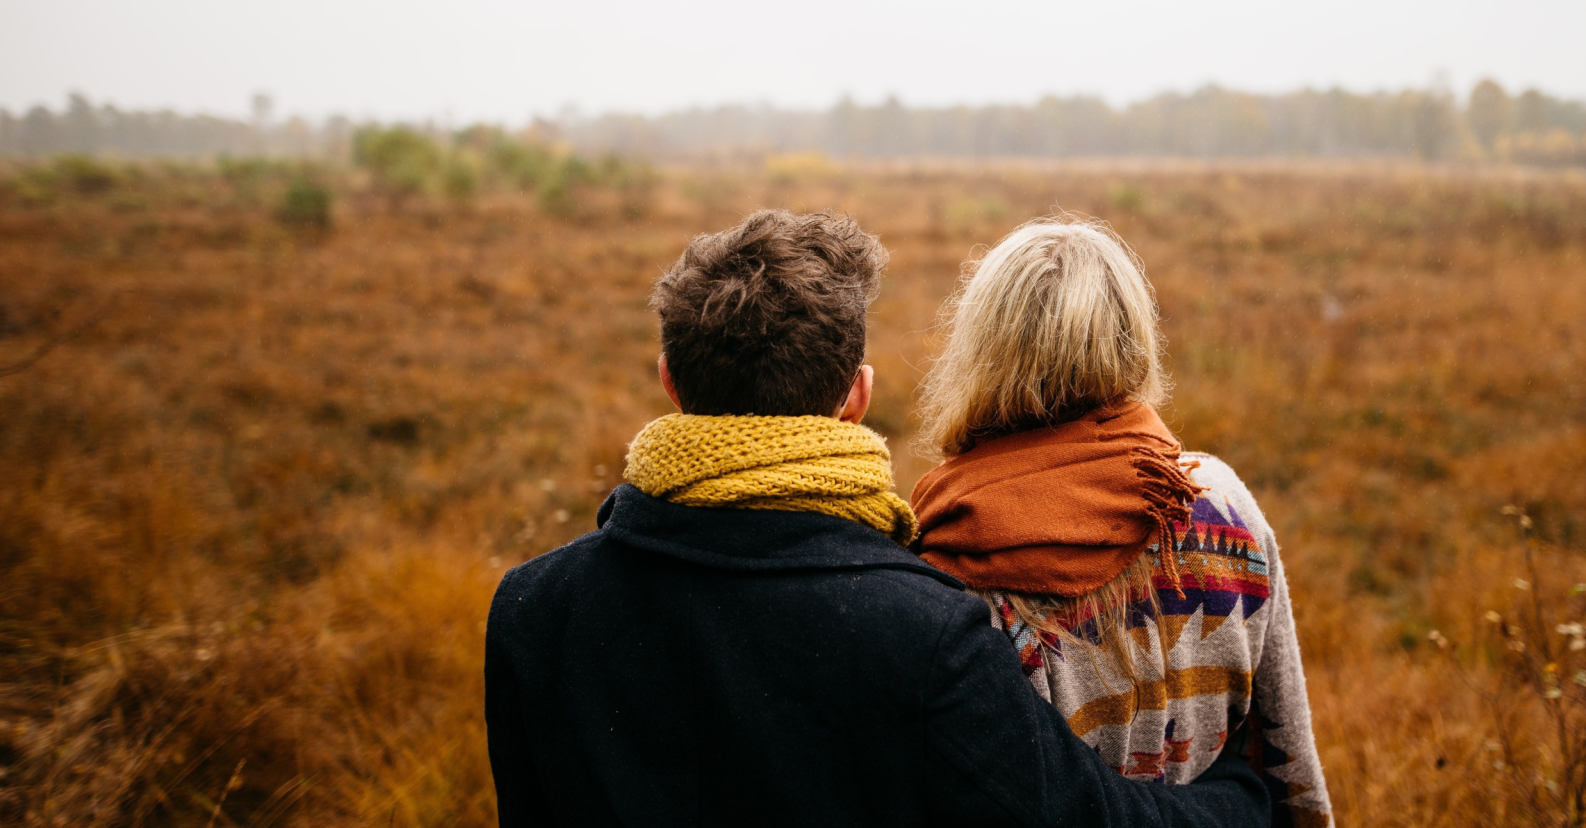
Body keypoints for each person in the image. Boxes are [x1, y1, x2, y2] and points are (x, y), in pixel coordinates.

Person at [485, 209, 1273, 828]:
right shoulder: (924, 629)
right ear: (857, 397)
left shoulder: (531, 610)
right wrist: (1240, 798)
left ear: (669, 381)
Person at [910, 216, 1335, 827]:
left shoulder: (962, 553)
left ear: (982, 349)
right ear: (1132, 339)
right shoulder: (1217, 500)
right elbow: (1285, 741)